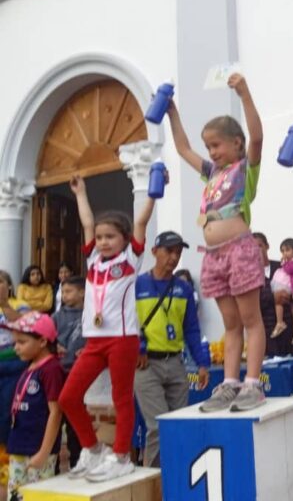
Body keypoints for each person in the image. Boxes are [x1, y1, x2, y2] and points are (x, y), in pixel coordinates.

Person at [167, 72, 267, 413]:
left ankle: (253, 383)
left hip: (239, 249)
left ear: (235, 144)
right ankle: (230, 384)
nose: (212, 152)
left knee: (251, 318)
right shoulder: (211, 173)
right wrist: (171, 111)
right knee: (230, 323)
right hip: (212, 256)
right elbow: (182, 148)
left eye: (217, 145)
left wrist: (244, 91)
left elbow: (257, 135)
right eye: (209, 146)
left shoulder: (245, 168)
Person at [58, 175, 157, 482]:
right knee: (68, 397)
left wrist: (153, 195)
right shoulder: (92, 261)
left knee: (121, 398)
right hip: (94, 341)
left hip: (122, 339)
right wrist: (81, 193)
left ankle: (122, 456)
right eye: (100, 238)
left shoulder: (131, 258)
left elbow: (140, 221)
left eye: (110, 237)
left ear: (124, 240)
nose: (102, 242)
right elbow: (87, 223)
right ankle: (93, 448)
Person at [135, 231, 211, 467]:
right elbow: (125, 321)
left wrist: (202, 363)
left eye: (178, 252)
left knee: (179, 421)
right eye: (169, 251)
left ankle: (178, 475)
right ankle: (158, 481)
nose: (174, 257)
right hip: (146, 364)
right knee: (157, 426)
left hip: (176, 363)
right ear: (154, 252)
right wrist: (138, 347)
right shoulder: (137, 284)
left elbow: (191, 328)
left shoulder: (184, 288)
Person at [2, 312, 65, 500]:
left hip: (38, 450)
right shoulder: (30, 366)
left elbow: (56, 412)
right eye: (15, 343)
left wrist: (44, 452)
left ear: (43, 342)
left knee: (38, 496)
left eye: (22, 342)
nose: (16, 348)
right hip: (19, 445)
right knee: (16, 495)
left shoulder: (51, 369)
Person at [52, 276, 86, 469]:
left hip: (78, 372)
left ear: (82, 292)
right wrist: (54, 345)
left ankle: (77, 461)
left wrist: (88, 350)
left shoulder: (89, 315)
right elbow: (46, 337)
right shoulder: (57, 316)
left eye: (69, 291)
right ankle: (53, 462)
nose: (64, 295)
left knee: (75, 419)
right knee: (56, 417)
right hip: (59, 372)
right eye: (63, 292)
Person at [252, 233, 293, 357]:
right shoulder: (248, 275)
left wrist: (291, 295)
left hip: (292, 329)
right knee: (272, 373)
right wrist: (273, 297)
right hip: (268, 332)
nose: (256, 251)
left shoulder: (283, 266)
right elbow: (248, 302)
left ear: (267, 246)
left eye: (259, 246)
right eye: (251, 248)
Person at [0, 270, 30, 450]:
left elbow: (24, 324)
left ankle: (5, 451)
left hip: (13, 363)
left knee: (6, 410)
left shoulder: (19, 305)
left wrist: (4, 303)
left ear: (9, 285)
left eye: (0, 281)